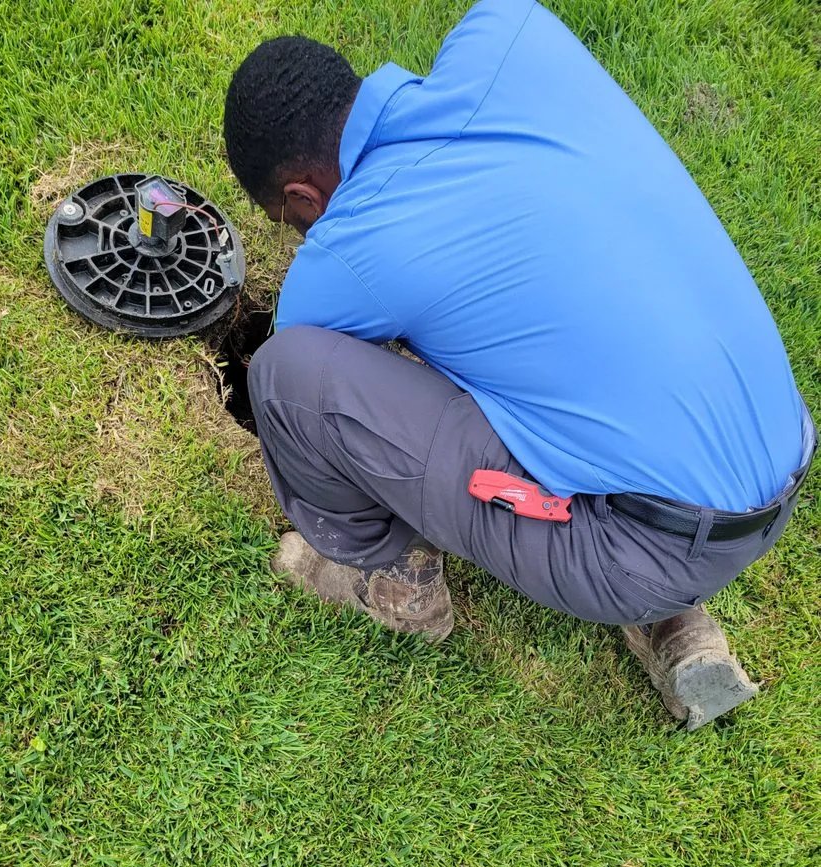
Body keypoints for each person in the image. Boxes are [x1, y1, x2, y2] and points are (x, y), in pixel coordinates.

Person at [222, 0, 816, 730]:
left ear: (301, 196)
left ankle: (399, 586)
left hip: (644, 543)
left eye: (291, 224)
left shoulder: (347, 252)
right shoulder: (512, 31)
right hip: (776, 454)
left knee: (288, 378)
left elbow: (309, 369)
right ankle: (673, 617)